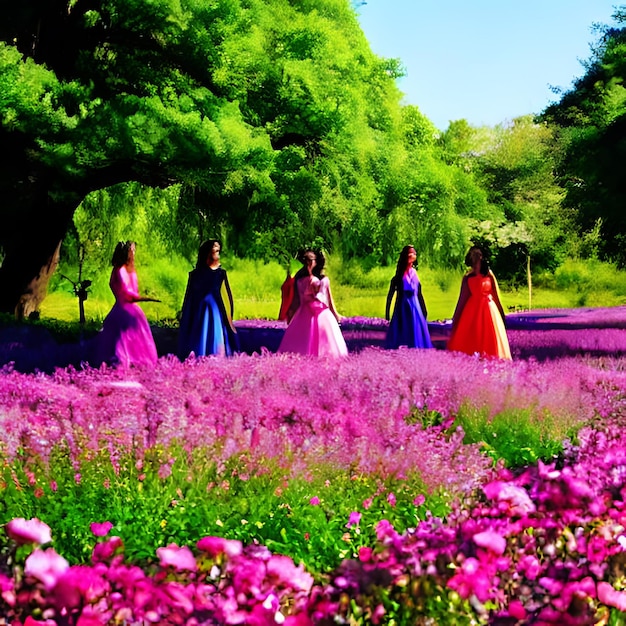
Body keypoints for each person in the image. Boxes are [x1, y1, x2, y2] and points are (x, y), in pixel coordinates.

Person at [96, 241, 159, 368]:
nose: (134, 253)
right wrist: (145, 298)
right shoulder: (120, 270)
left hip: (126, 309)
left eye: (134, 250)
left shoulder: (126, 270)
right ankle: (122, 362)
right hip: (125, 310)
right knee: (122, 339)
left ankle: (129, 362)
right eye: (132, 250)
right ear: (126, 252)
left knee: (130, 339)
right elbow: (126, 293)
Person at [278, 249, 348, 357]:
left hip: (323, 314)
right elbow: (296, 299)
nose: (307, 263)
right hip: (305, 314)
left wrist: (336, 314)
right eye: (305, 260)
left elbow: (329, 298)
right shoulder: (300, 279)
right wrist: (290, 314)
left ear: (316, 261)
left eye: (310, 260)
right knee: (304, 344)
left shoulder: (323, 279)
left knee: (326, 342)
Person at [447, 245, 511, 360]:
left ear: (482, 257)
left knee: (490, 336)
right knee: (473, 336)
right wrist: (456, 318)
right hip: (473, 310)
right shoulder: (467, 277)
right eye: (473, 254)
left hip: (489, 309)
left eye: (478, 254)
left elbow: (496, 295)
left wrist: (502, 314)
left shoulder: (489, 274)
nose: (476, 256)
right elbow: (462, 299)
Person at [178, 240, 238, 359]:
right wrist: (185, 315)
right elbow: (189, 297)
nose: (218, 255)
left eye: (218, 251)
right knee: (200, 339)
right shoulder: (195, 275)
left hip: (216, 313)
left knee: (215, 338)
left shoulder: (221, 274)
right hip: (199, 314)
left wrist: (230, 319)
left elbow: (227, 298)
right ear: (207, 253)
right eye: (215, 251)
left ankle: (216, 358)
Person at [385, 245, 433, 350]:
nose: (413, 255)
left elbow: (419, 292)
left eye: (414, 253)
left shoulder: (414, 273)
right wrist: (387, 313)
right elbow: (390, 296)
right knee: (402, 331)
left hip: (415, 307)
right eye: (411, 253)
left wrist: (424, 309)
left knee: (415, 331)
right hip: (402, 307)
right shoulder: (398, 277)